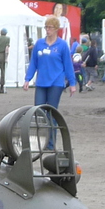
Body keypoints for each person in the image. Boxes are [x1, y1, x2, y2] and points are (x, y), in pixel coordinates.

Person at [25, 15, 75, 146]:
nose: (48, 30)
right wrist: (27, 79)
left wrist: (72, 83)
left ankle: (50, 143)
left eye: (50, 27)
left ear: (56, 29)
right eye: (46, 27)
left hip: (56, 82)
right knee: (38, 112)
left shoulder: (62, 45)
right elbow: (33, 63)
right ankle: (39, 141)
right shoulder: (39, 44)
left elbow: (68, 65)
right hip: (41, 82)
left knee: (51, 113)